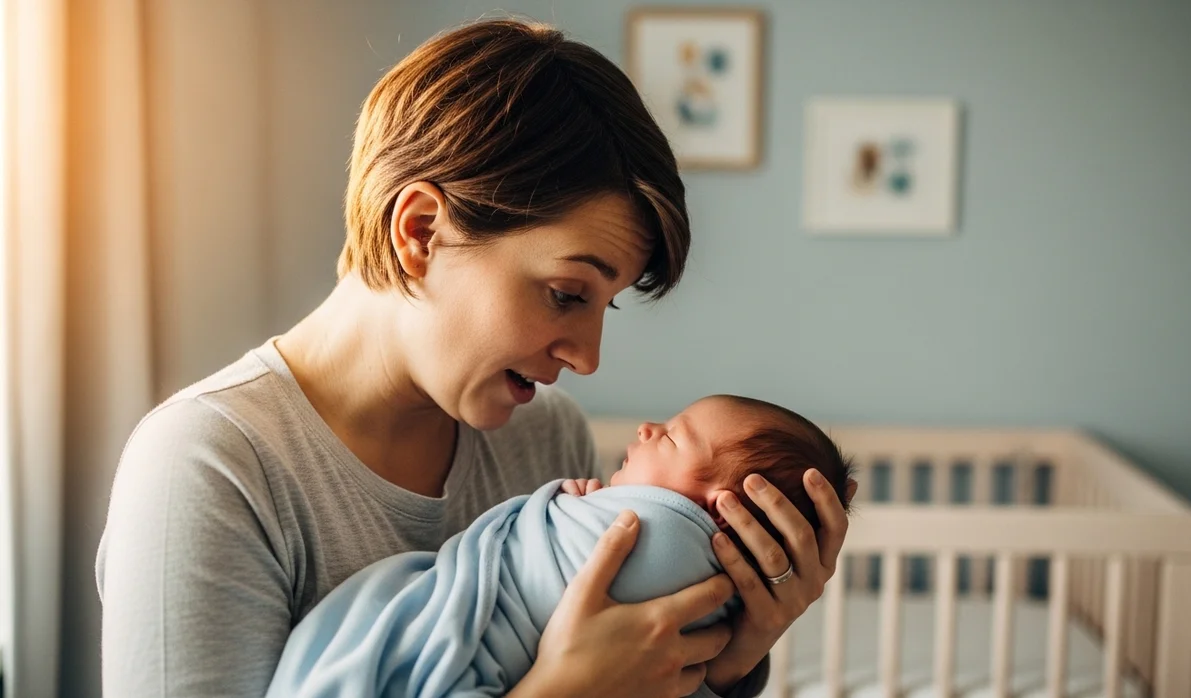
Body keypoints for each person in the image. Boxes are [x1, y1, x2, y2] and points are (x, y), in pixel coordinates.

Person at [96, 18, 855, 698]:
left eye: (604, 304)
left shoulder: (543, 436)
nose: (588, 358)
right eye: (566, 292)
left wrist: (727, 663)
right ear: (421, 230)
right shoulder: (209, 466)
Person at [263, 395, 858, 697]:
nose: (646, 429)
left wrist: (734, 662)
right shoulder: (228, 467)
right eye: (566, 292)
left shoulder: (664, 535)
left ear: (717, 509)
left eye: (672, 437)